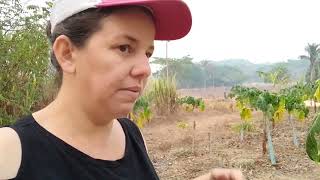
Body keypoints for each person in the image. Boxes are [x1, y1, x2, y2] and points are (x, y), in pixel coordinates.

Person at [0, 0, 244, 179]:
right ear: (67, 53)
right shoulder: (10, 152)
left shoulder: (130, 135)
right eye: (125, 48)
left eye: (148, 53)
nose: (145, 69)